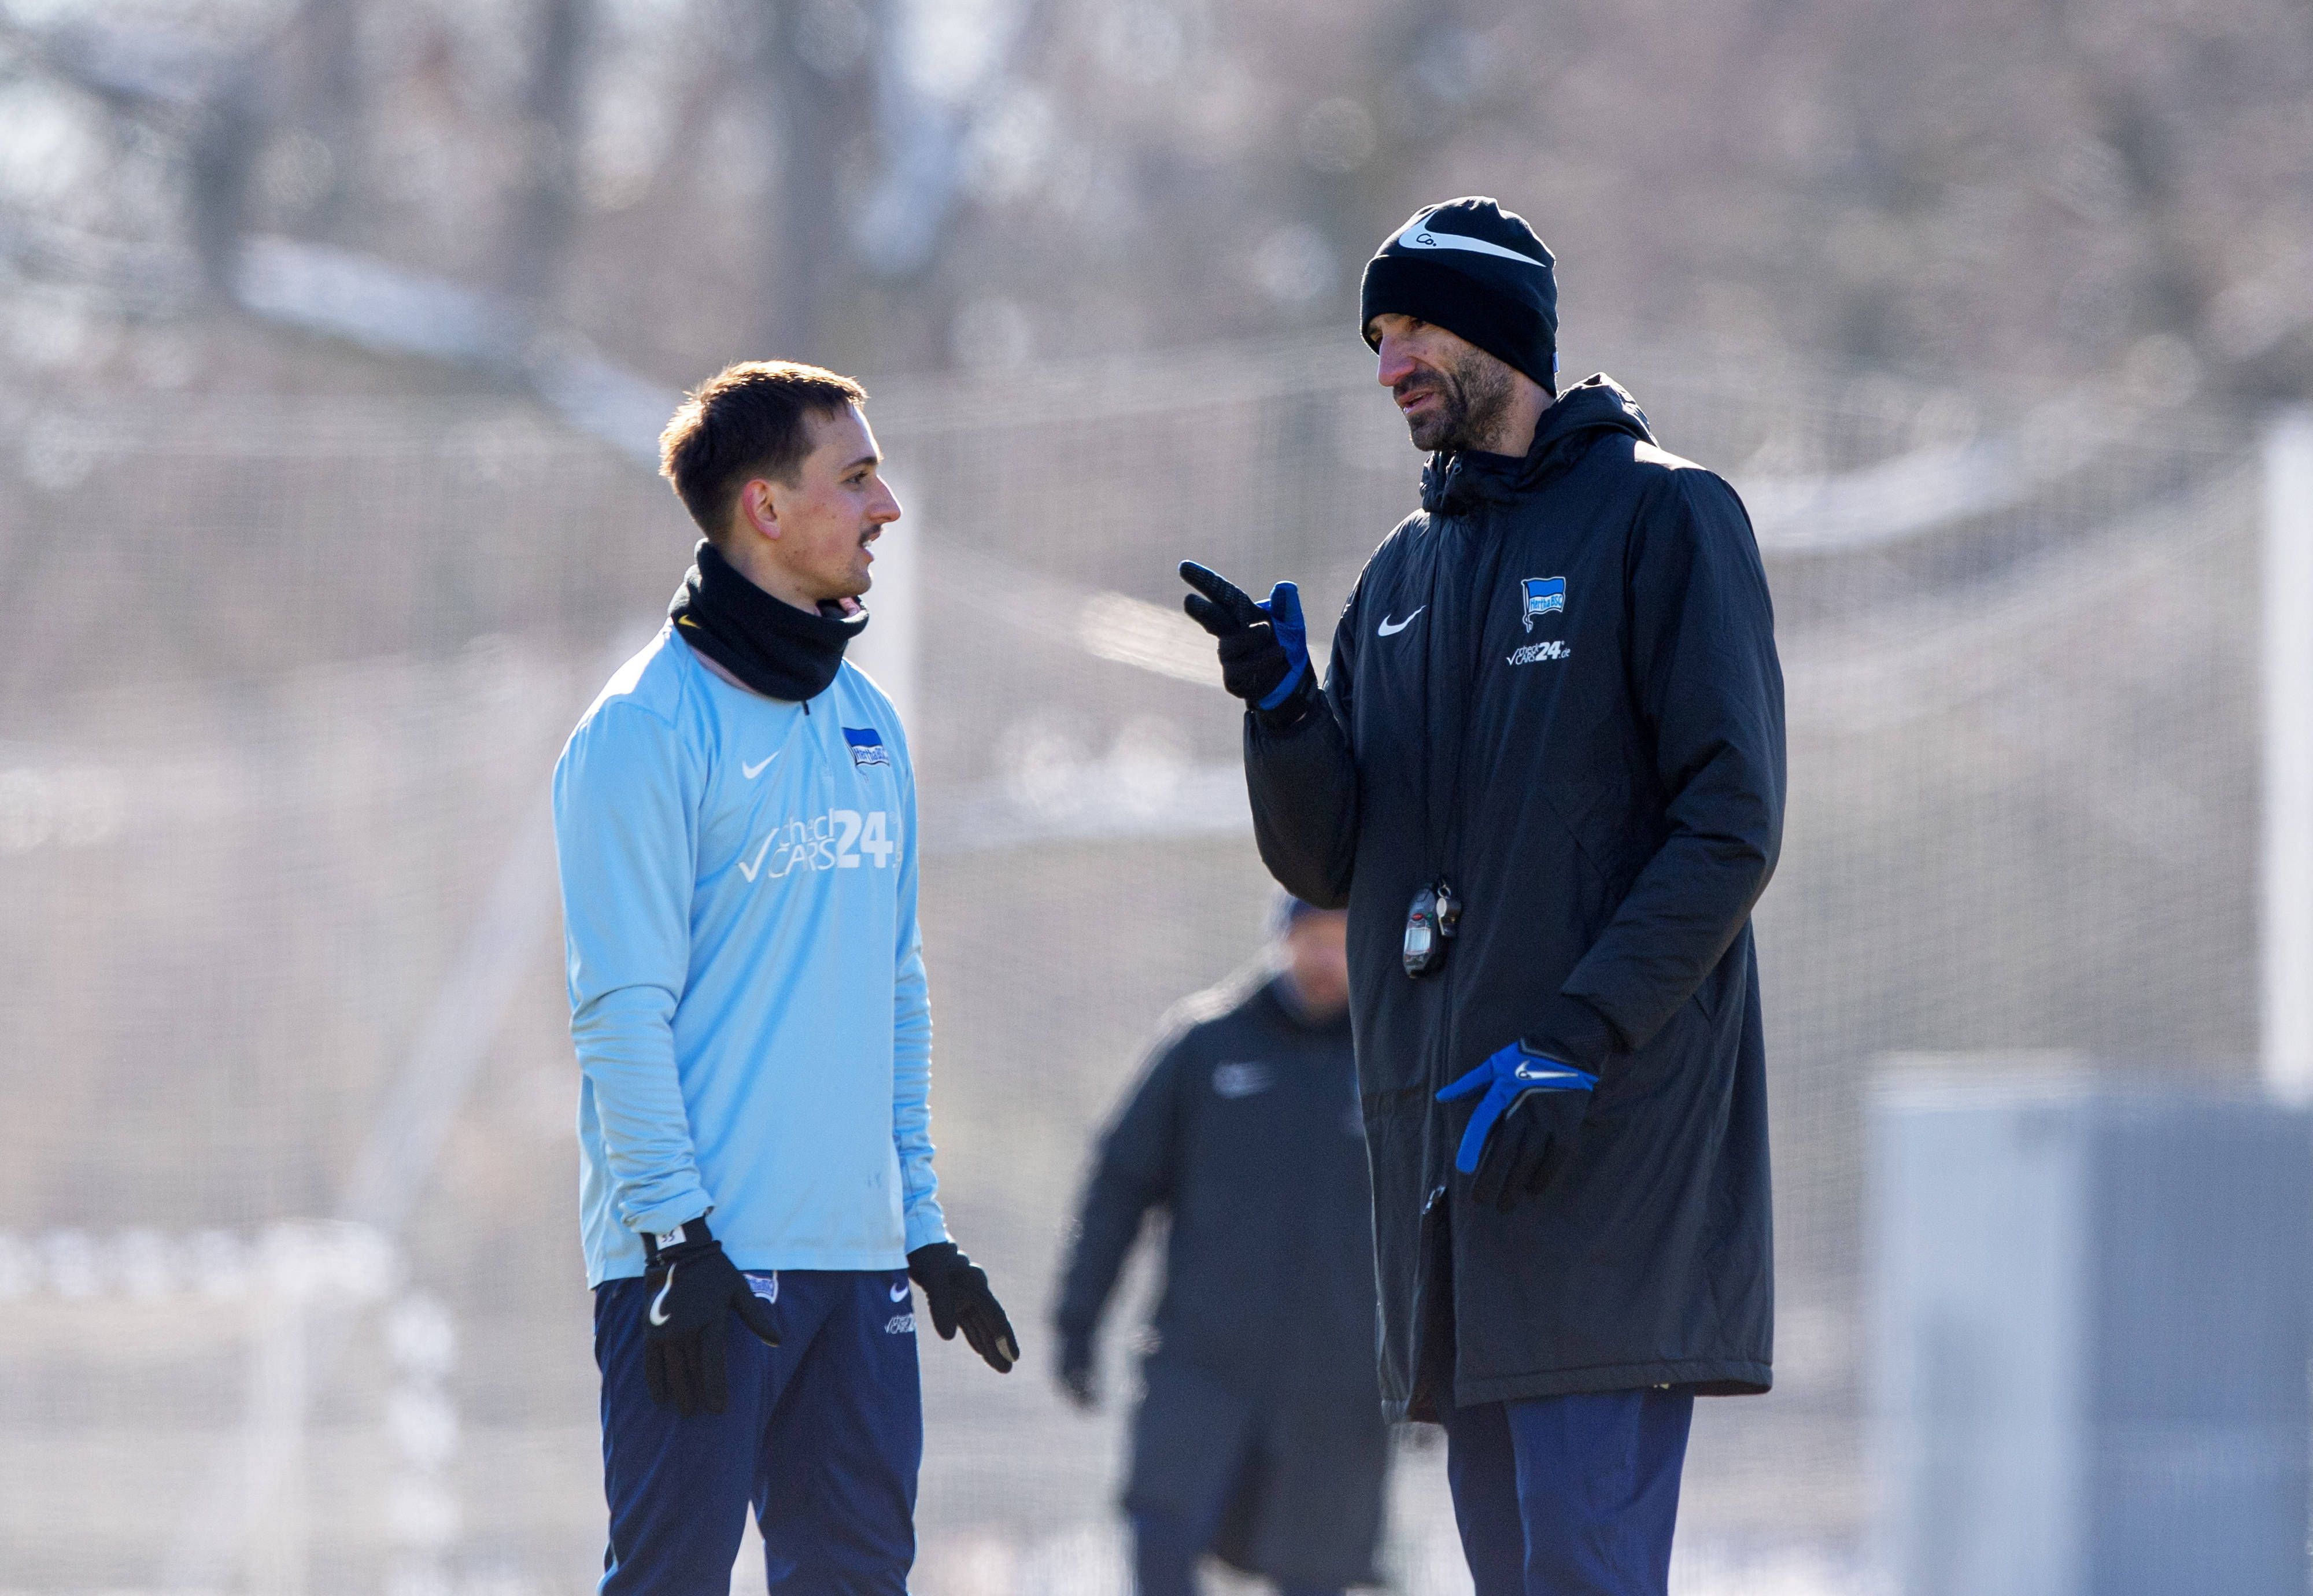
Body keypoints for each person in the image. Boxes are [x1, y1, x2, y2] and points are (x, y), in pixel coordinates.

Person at [1177, 198, 1786, 1595]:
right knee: (1513, 1572)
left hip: (1600, 1151)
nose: (1387, 363)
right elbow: (1327, 868)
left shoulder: (1664, 516)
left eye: (1412, 331)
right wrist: (1284, 714)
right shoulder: (1398, 578)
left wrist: (1579, 1034)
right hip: (1451, 1169)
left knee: (1582, 1564)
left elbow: (1729, 822)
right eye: (1374, 338)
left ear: (1505, 334)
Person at [552, 360, 1017, 1593]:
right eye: (856, 477)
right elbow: (618, 1010)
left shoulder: (868, 722)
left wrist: (919, 1224)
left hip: (856, 1264)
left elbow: (894, 991)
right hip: (696, 1268)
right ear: (764, 506)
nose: (886, 508)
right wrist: (674, 1237)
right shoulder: (641, 729)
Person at [1053, 897, 1389, 1596]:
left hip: (1339, 1382)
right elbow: (1118, 1186)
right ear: (1281, 941)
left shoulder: (1393, 1056)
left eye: (1343, 943)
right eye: (1311, 940)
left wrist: (1430, 1371)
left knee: (1316, 1573)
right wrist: (1076, 1323)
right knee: (1161, 1539)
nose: (1325, 960)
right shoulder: (1205, 1046)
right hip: (1201, 1367)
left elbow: (1435, 1222)